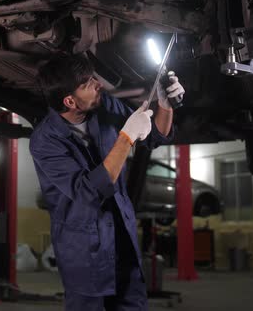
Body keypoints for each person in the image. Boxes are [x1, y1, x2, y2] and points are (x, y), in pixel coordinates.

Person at [30, 54, 185, 310]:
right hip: (84, 250)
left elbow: (153, 138)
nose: (98, 84)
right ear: (70, 100)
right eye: (88, 83)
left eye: (93, 77)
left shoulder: (107, 107)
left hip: (121, 235)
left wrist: (165, 105)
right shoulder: (45, 141)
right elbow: (89, 192)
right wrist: (126, 137)